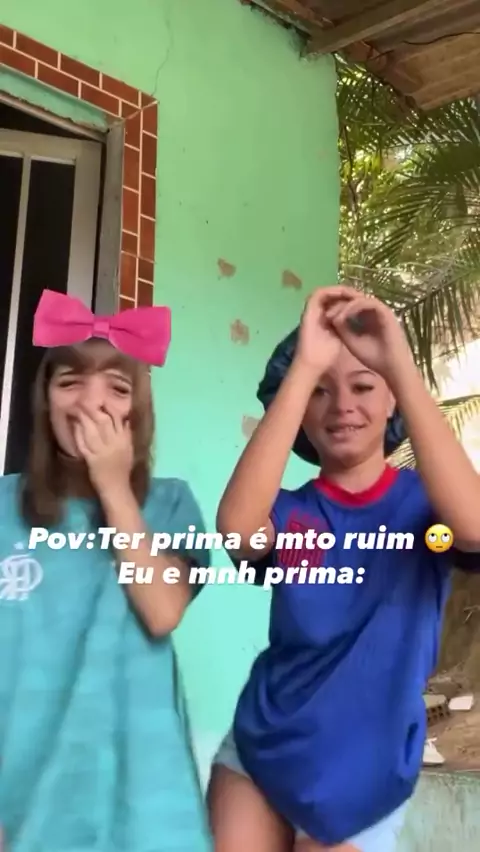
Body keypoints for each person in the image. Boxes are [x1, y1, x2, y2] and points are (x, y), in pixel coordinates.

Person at [208, 285, 480, 852]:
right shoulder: (290, 515)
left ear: (393, 399)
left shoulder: (426, 513)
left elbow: (474, 529)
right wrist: (304, 365)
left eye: (364, 386)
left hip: (365, 773)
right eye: (319, 392)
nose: (342, 406)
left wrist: (400, 366)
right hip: (262, 748)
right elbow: (236, 531)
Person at [0, 290, 212, 852]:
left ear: (137, 412)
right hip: (24, 810)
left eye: (118, 388)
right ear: (45, 399)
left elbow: (162, 611)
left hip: (149, 812)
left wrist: (114, 486)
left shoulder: (171, 503)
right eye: (70, 381)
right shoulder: (1, 507)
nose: (92, 403)